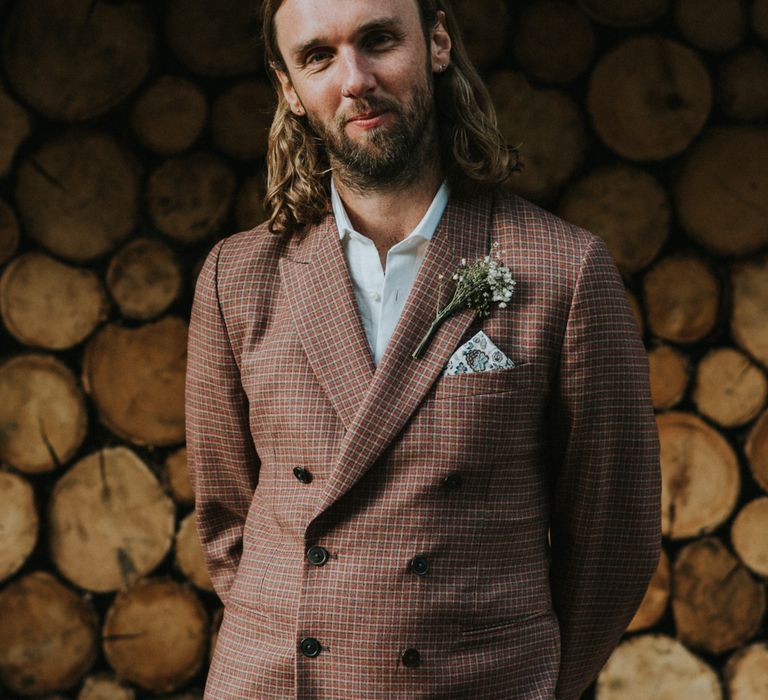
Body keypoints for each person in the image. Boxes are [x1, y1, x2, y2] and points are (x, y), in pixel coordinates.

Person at [184, 0, 662, 697]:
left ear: (437, 42)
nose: (355, 79)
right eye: (318, 56)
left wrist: (534, 685)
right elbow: (224, 521)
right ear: (289, 87)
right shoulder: (237, 277)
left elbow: (615, 540)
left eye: (378, 40)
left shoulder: (564, 269)